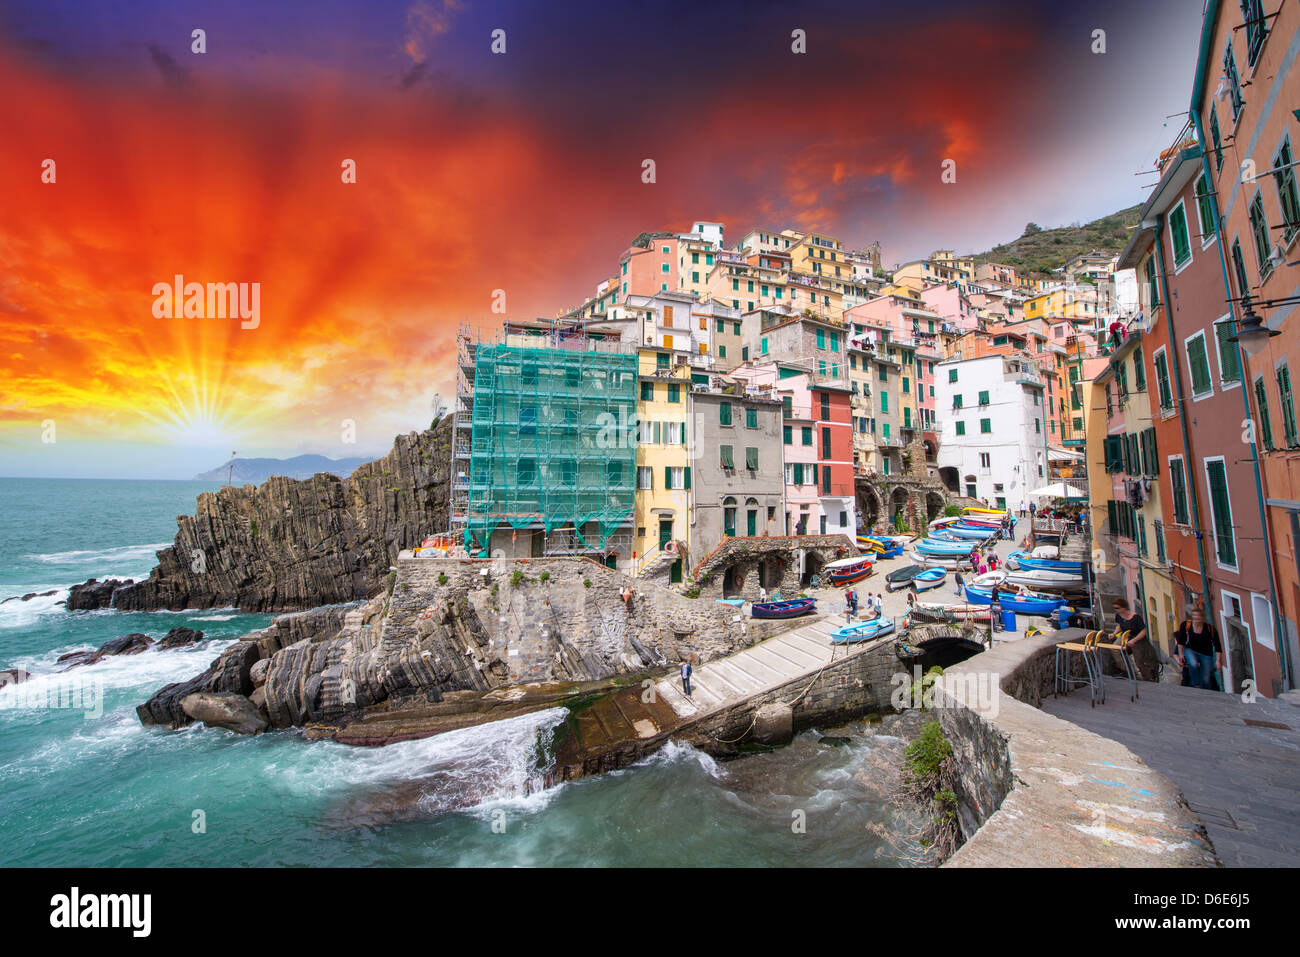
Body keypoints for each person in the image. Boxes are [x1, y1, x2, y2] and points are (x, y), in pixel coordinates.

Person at [1174, 606, 1224, 690]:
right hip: (1190, 650)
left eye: (1198, 617)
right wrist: (1181, 654)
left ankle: (1206, 691)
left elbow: (1217, 646)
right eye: (1194, 617)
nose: (1196, 619)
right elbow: (1181, 641)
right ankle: (1196, 684)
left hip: (1206, 653)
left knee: (1206, 679)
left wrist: (1218, 661)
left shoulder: (1210, 629)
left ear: (1203, 618)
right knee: (1193, 664)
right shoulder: (1186, 625)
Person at [1111, 597, 1158, 681]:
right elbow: (1119, 626)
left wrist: (1134, 640)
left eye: (1117, 608)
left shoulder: (1136, 618)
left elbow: (1143, 631)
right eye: (1114, 608)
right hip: (1126, 636)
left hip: (1137, 638)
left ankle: (1146, 678)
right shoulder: (1119, 615)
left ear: (1124, 607)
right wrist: (1114, 634)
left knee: (1139, 660)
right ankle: (1127, 670)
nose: (1115, 610)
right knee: (1114, 648)